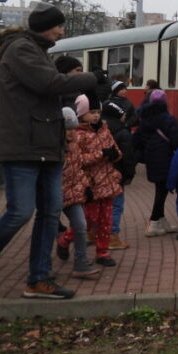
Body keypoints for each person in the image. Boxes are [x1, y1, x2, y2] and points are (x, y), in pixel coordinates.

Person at [0, 4, 98, 300]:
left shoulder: (37, 51)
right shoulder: (20, 50)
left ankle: (38, 279)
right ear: (45, 26)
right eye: (59, 26)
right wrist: (91, 78)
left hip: (46, 145)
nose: (62, 32)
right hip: (22, 145)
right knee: (20, 212)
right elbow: (48, 84)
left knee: (50, 214)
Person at [60, 92, 123, 267]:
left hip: (107, 182)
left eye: (98, 112)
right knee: (88, 221)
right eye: (92, 111)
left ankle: (102, 252)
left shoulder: (104, 129)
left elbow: (115, 150)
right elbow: (79, 160)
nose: (96, 115)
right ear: (81, 113)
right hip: (89, 184)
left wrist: (116, 155)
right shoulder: (77, 134)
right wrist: (101, 154)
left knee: (106, 220)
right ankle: (65, 239)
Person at [56, 107, 102, 280]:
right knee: (46, 229)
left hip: (73, 193)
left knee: (80, 225)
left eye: (73, 129)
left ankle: (81, 262)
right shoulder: (54, 148)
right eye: (67, 129)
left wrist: (86, 186)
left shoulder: (74, 145)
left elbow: (78, 168)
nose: (71, 133)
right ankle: (41, 266)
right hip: (56, 194)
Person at [134, 89, 178, 236]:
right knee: (162, 190)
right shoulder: (168, 119)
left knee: (161, 188)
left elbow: (137, 139)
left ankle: (161, 220)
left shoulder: (144, 118)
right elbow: (175, 141)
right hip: (165, 157)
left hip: (151, 157)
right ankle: (154, 221)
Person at [101, 100, 136, 249]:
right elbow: (128, 157)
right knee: (116, 206)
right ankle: (112, 237)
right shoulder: (123, 133)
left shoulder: (100, 130)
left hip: (100, 175)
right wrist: (129, 174)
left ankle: (95, 234)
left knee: (100, 205)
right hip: (117, 175)